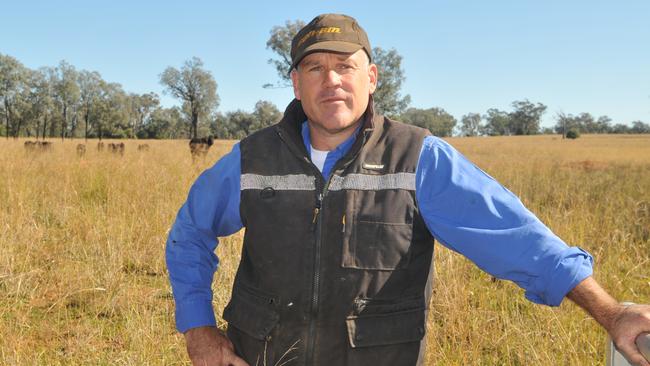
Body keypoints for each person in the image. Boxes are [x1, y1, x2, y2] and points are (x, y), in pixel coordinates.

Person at [166, 13, 650, 366]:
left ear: (371, 78)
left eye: (346, 66)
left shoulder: (419, 158)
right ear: (296, 84)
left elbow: (516, 236)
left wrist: (610, 311)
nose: (331, 80)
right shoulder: (252, 159)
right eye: (315, 68)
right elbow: (189, 232)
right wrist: (199, 328)